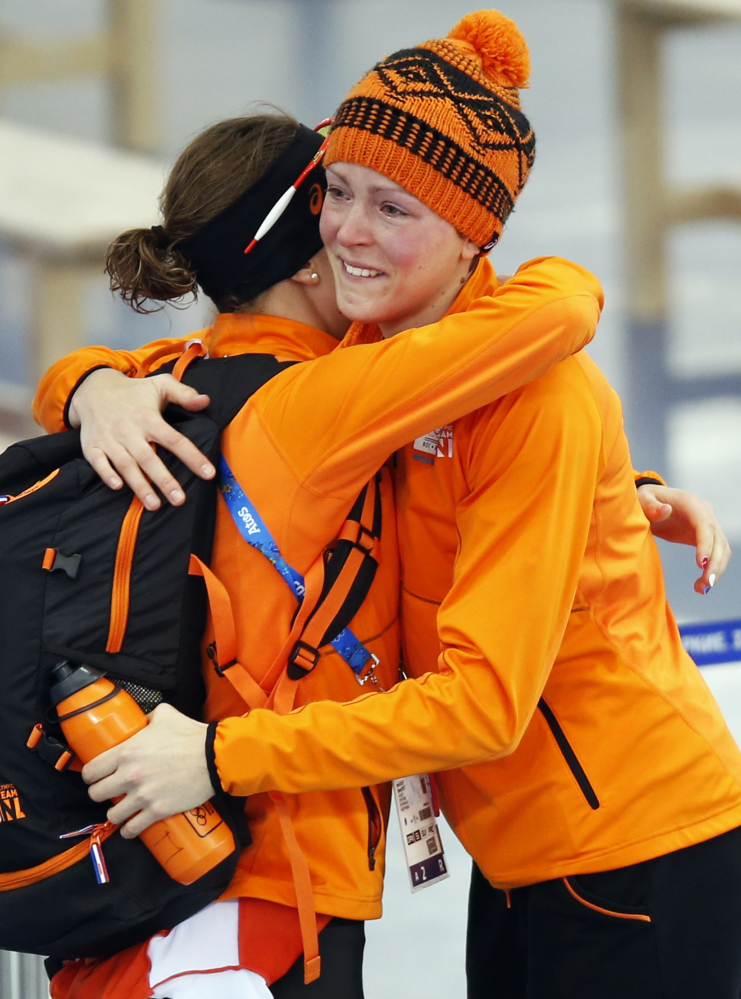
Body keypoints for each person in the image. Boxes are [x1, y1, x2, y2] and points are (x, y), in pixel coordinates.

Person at [34, 13, 733, 999]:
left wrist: (222, 754)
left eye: (395, 209)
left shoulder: (535, 393)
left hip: (636, 843)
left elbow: (485, 704)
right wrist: (89, 386)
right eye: (337, 193)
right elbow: (197, 373)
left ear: (473, 233)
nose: (352, 233)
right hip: (514, 853)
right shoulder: (368, 361)